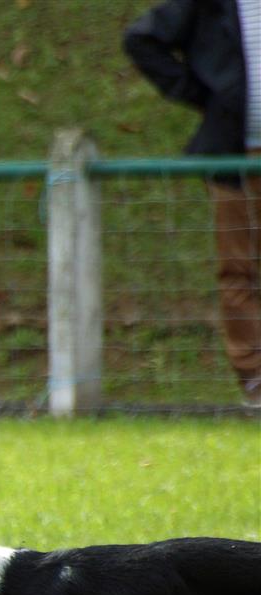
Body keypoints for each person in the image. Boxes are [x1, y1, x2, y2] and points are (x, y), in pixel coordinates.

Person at [124, 0, 261, 408]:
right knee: (238, 267)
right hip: (235, 155)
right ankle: (255, 378)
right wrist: (209, 96)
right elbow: (142, 39)